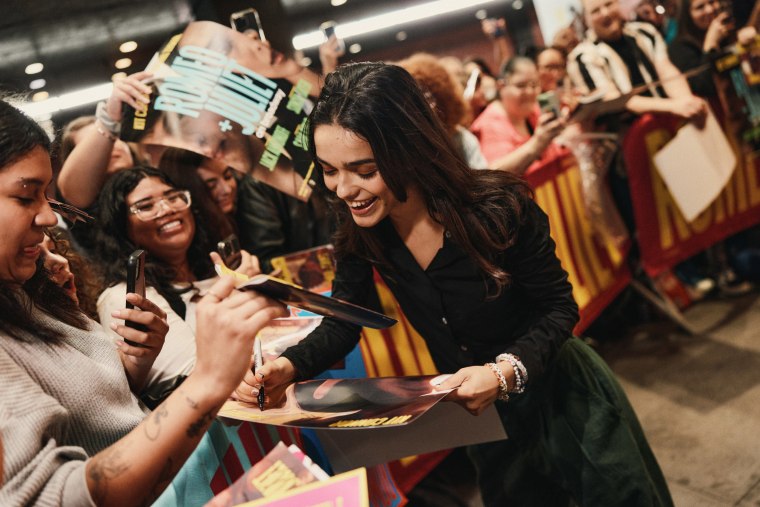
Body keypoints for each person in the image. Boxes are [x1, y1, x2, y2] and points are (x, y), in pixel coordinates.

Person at [236, 62, 673, 506]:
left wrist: (503, 373)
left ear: (407, 149)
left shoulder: (499, 207)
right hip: (484, 422)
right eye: (330, 171)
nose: (345, 189)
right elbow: (346, 322)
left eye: (364, 170)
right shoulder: (361, 233)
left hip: (563, 396)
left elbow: (559, 307)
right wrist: (288, 366)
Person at [0, 98, 286, 506]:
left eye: (47, 197)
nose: (48, 218)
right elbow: (53, 496)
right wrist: (210, 379)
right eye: (26, 197)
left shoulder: (27, 291)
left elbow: (96, 412)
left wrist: (134, 364)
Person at [94, 166, 261, 404]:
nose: (168, 209)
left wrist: (260, 287)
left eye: (173, 197)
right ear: (121, 228)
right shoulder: (127, 297)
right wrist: (234, 297)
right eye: (146, 206)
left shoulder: (217, 268)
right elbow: (195, 376)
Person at [567, 0, 707, 123]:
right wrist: (674, 106)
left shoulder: (645, 32)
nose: (605, 13)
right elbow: (617, 100)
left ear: (618, 4)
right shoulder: (582, 57)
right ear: (587, 19)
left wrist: (687, 101)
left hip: (672, 121)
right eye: (595, 11)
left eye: (609, 4)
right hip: (632, 138)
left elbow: (667, 71)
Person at [470, 56, 568, 175]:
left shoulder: (534, 110)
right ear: (501, 86)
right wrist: (538, 143)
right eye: (521, 85)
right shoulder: (489, 124)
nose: (530, 92)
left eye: (534, 85)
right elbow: (494, 174)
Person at [397, 52, 488, 169]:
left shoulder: (461, 139)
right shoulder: (403, 148)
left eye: (429, 96)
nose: (427, 105)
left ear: (444, 99)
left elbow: (482, 174)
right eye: (416, 98)